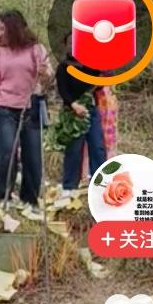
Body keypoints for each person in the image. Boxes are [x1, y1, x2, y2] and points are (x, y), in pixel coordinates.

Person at [0, 11, 52, 206]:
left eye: (2, 28)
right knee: (6, 152)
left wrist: (45, 73)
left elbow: (48, 75)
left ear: (14, 28)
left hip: (31, 107)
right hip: (5, 108)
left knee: (32, 156)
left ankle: (30, 200)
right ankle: (4, 197)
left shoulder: (36, 49)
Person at [56, 35, 107, 189]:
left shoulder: (91, 64)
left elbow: (100, 82)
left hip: (90, 110)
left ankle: (100, 184)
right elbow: (63, 90)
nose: (72, 45)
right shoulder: (64, 67)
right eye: (69, 43)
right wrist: (74, 105)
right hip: (72, 113)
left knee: (97, 146)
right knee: (74, 150)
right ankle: (69, 186)